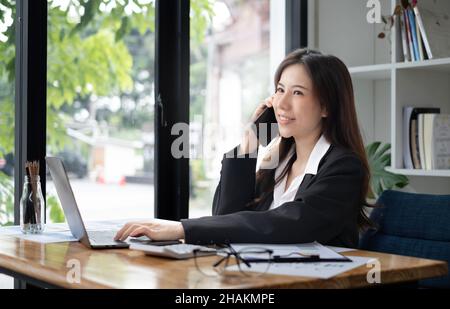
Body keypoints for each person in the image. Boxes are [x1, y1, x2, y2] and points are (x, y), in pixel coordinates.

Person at [115, 48, 373, 248]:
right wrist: (250, 144)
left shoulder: (343, 166)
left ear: (326, 107)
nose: (281, 103)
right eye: (280, 90)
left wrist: (184, 229)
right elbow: (226, 217)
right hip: (265, 278)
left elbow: (293, 222)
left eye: (297, 93)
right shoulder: (279, 162)